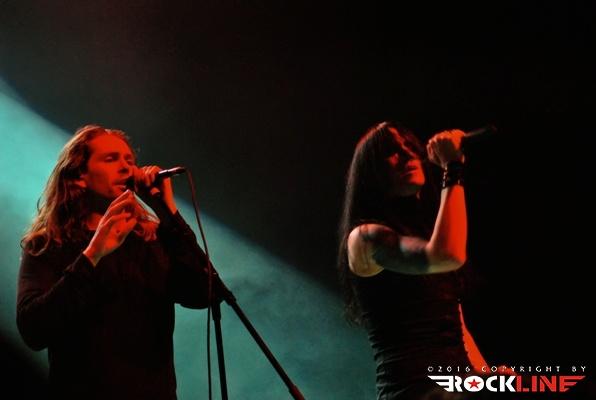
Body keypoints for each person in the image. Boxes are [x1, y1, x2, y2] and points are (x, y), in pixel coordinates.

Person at [17, 125, 214, 399]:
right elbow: (34, 330)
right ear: (79, 176)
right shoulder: (48, 245)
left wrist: (167, 210)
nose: (126, 168)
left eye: (129, 160)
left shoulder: (152, 239)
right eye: (111, 159)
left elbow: (205, 293)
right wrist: (93, 254)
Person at [337, 121, 488, 399]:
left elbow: (456, 324)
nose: (407, 154)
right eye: (391, 151)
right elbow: (448, 255)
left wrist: (487, 379)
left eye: (409, 146)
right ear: (372, 174)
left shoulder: (428, 235)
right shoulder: (365, 238)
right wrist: (453, 168)